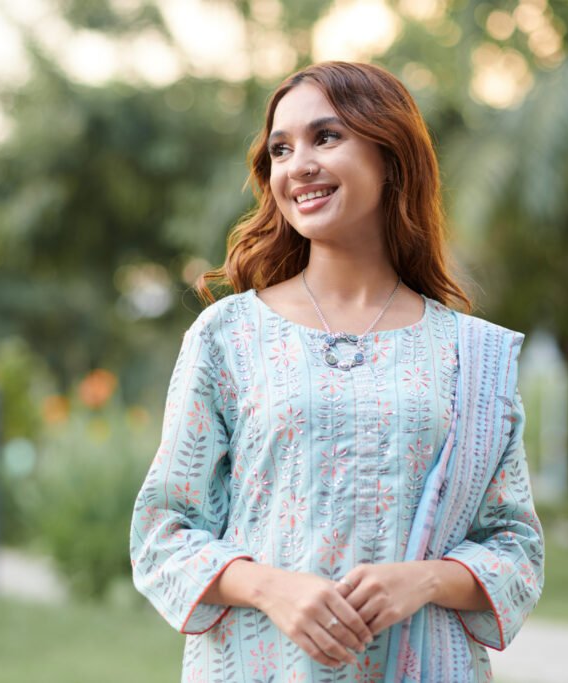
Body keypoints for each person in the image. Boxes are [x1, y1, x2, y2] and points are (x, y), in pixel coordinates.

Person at [130, 61, 544, 682]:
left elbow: (516, 547)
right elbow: (163, 530)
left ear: (390, 156)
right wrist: (270, 588)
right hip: (262, 667)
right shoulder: (229, 335)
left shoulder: (469, 353)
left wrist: (426, 580)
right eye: (280, 149)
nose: (298, 165)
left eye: (326, 137)